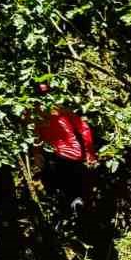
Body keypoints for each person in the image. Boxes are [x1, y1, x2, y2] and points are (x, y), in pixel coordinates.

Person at [31, 82, 98, 218]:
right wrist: (90, 153)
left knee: (60, 186)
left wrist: (37, 155)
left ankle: (68, 207)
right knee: (72, 187)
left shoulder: (37, 113)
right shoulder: (60, 109)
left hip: (57, 157)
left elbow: (35, 137)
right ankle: (73, 206)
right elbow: (84, 129)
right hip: (72, 156)